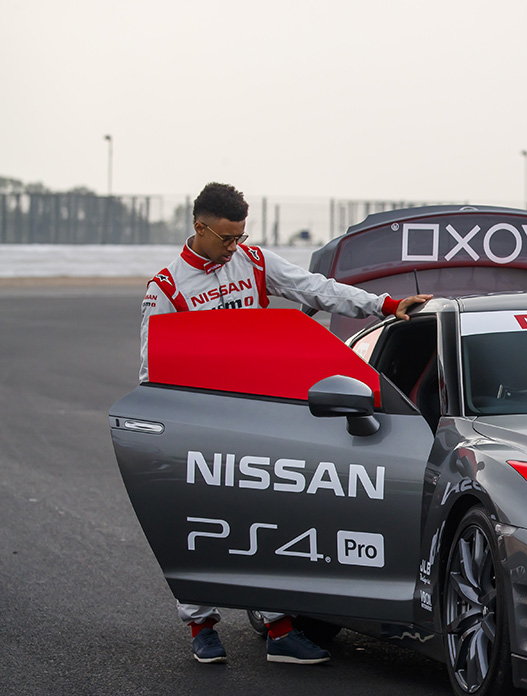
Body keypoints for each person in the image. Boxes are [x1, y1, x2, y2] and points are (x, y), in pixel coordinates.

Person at [139, 182, 431, 665]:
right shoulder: (166, 288)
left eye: (241, 235)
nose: (235, 246)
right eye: (227, 237)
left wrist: (382, 305)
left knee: (264, 517)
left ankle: (279, 628)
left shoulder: (255, 262)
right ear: (199, 227)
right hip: (201, 422)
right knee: (198, 522)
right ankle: (201, 626)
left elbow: (317, 289)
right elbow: (151, 370)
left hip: (258, 415)